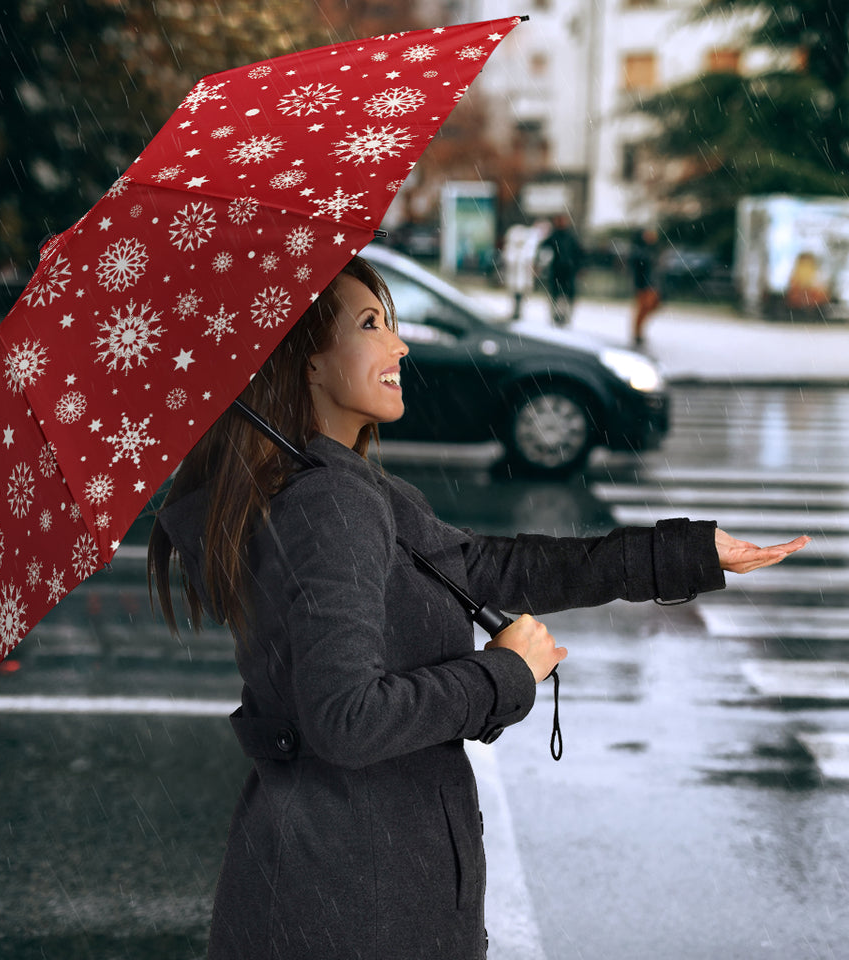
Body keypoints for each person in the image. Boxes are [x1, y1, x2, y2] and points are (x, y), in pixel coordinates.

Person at [148, 256, 808, 960]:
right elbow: (346, 719)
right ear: (307, 361)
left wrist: (684, 554)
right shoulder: (329, 504)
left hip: (337, 883)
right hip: (357, 903)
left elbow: (488, 568)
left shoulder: (334, 488)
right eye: (371, 325)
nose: (400, 345)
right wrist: (503, 674)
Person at [537, 213, 584, 327]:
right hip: (557, 271)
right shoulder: (554, 236)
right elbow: (543, 249)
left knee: (566, 295)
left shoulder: (570, 237)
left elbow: (579, 253)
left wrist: (579, 267)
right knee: (556, 294)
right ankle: (556, 315)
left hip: (568, 271)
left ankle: (564, 316)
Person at [630, 226, 662, 347]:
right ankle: (637, 333)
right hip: (643, 284)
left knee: (650, 306)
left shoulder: (651, 249)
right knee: (643, 308)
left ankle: (638, 331)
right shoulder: (640, 250)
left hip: (651, 283)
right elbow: (639, 266)